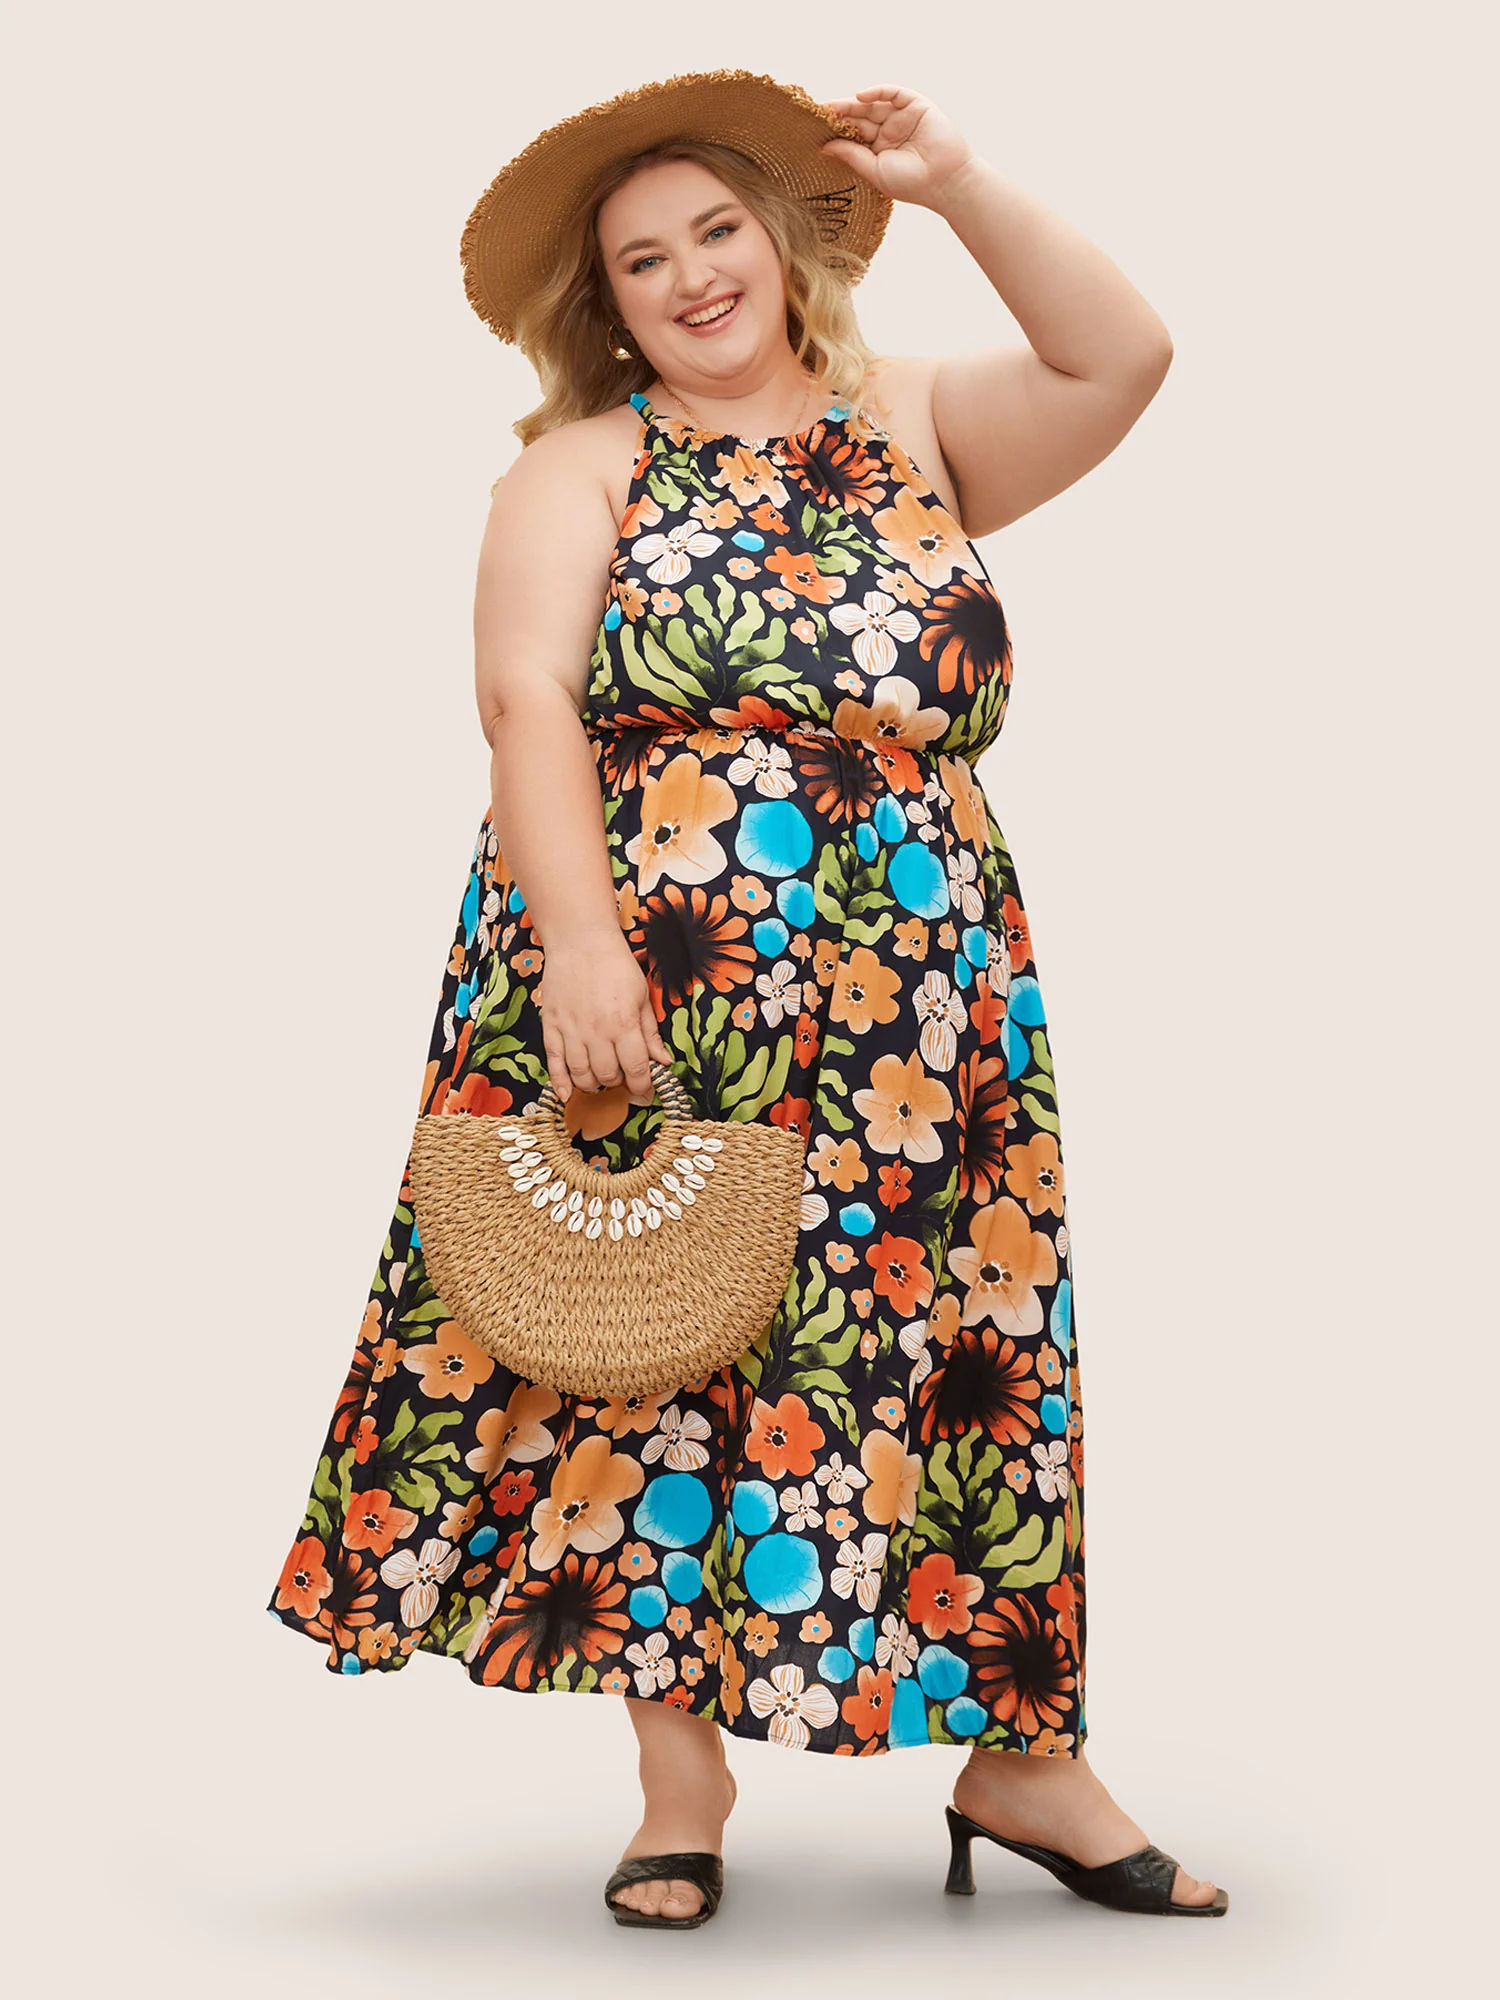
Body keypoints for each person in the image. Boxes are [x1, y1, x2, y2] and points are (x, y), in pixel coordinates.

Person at [267, 71, 1226, 1930]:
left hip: (918, 1001)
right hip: (657, 966)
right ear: (609, 306)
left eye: (717, 231)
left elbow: (1125, 355)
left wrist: (956, 181)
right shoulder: (579, 467)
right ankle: (679, 1780)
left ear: (784, 247)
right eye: (644, 260)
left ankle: (1023, 1756)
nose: (693, 275)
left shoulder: (917, 424)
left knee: (958, 1345)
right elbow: (527, 701)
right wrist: (580, 948)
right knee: (656, 1348)